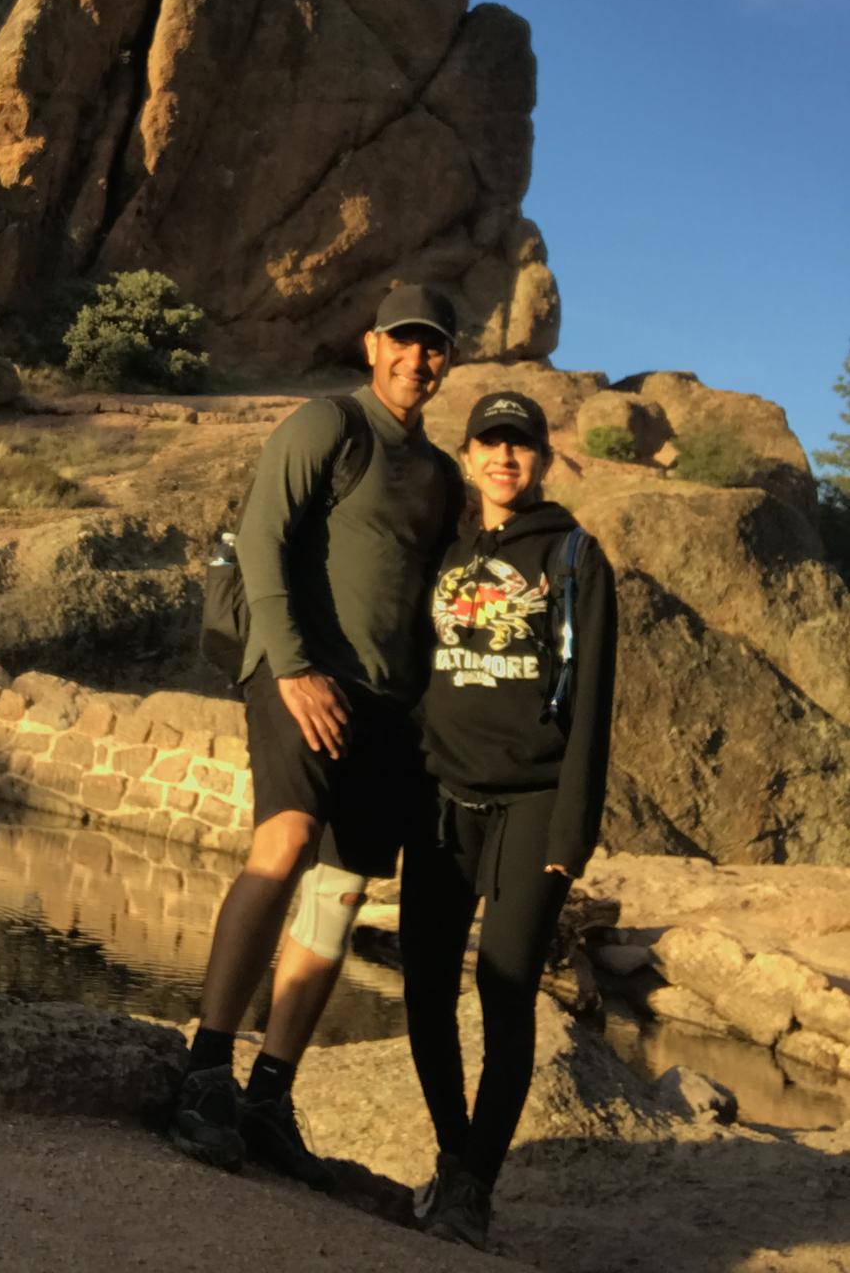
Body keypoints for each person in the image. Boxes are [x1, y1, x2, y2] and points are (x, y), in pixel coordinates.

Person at [169, 284, 464, 1188]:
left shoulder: (443, 474)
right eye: (404, 342)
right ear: (374, 345)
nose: (417, 358)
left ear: (446, 361)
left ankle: (270, 1092)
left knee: (339, 891)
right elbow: (262, 542)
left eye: (435, 347)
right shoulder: (327, 425)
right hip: (298, 672)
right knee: (287, 841)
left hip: (386, 705)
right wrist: (292, 669)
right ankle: (206, 1070)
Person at [400, 390, 617, 1251]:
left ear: (543, 459)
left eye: (520, 444)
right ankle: (458, 1156)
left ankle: (473, 1188)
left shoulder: (573, 556)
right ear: (468, 453)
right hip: (442, 797)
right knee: (422, 984)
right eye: (489, 442)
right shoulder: (445, 546)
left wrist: (573, 833)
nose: (504, 457)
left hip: (533, 803)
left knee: (504, 988)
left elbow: (594, 702)